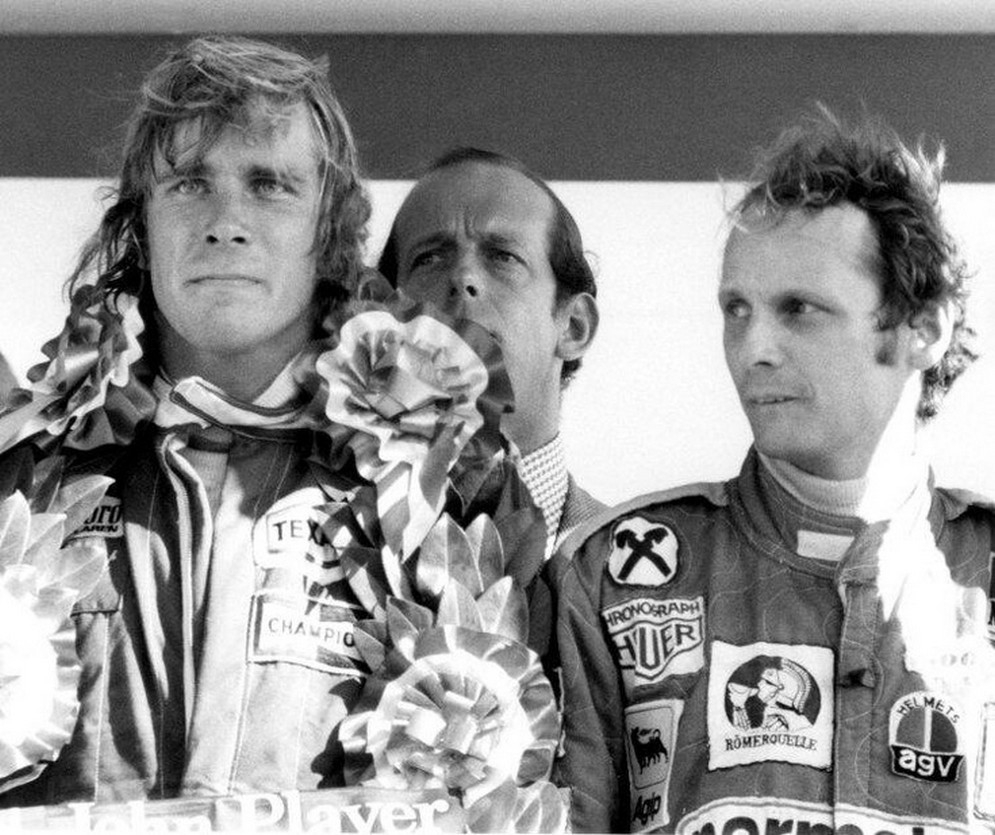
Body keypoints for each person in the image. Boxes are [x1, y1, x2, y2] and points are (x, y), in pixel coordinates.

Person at [553, 110, 995, 833]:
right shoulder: (612, 574)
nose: (752, 347)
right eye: (736, 309)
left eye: (799, 309)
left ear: (923, 326)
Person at [0, 35, 371, 804]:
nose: (226, 222)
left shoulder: (416, 493)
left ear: (329, 233)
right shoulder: (21, 479)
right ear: (140, 225)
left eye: (270, 185)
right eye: (191, 183)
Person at [377, 147, 605, 560]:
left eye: (503, 257)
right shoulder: (310, 549)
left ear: (574, 326)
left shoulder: (643, 572)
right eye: (429, 258)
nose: (463, 277)